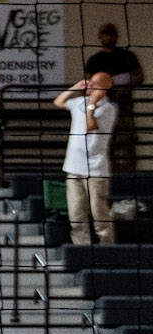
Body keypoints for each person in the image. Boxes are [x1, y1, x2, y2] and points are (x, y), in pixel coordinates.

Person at [56, 72, 118, 247]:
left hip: (96, 170)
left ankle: (107, 249)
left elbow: (91, 126)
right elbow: (58, 102)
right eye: (91, 82)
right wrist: (76, 87)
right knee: (76, 215)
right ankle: (81, 250)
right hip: (74, 167)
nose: (92, 86)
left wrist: (92, 104)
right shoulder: (79, 103)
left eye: (96, 84)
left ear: (105, 87)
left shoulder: (108, 108)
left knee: (100, 215)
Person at [85, 22, 141, 172]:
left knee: (127, 140)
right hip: (102, 107)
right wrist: (100, 93)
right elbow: (88, 82)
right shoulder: (95, 60)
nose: (108, 36)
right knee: (105, 141)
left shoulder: (127, 56)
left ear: (116, 36)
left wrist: (125, 88)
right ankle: (109, 173)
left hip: (123, 106)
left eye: (111, 33)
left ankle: (130, 174)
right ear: (100, 36)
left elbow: (139, 76)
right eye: (105, 33)